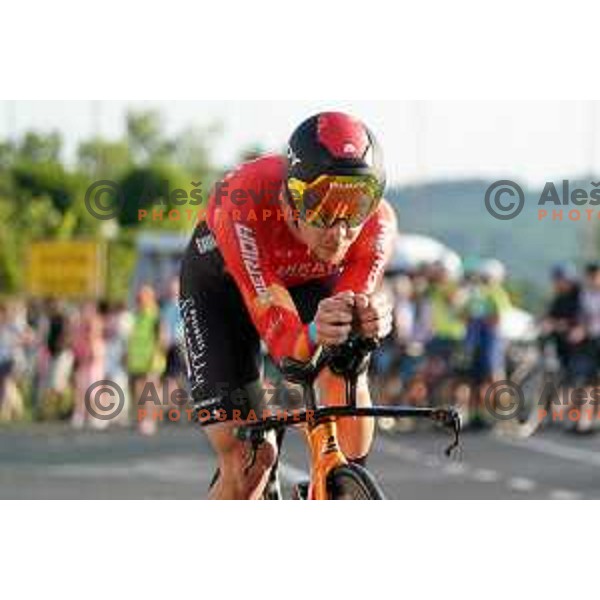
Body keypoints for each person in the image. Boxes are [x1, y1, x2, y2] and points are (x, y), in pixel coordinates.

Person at [180, 111, 396, 499]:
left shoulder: (378, 225)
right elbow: (284, 342)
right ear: (288, 199)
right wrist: (313, 331)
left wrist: (369, 319)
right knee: (250, 459)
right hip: (223, 291)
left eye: (355, 209)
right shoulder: (243, 202)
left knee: (346, 368)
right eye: (322, 209)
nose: (339, 232)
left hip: (306, 284)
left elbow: (345, 336)